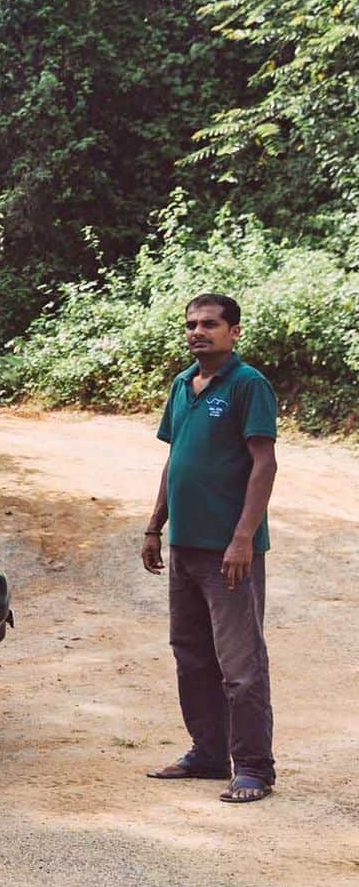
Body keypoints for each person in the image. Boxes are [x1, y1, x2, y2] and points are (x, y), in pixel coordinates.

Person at [141, 293, 279, 805]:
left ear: (234, 332)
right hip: (186, 547)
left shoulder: (249, 385)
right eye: (192, 325)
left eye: (210, 325)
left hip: (229, 552)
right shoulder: (182, 384)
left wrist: (243, 537)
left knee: (240, 664)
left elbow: (263, 464)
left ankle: (254, 769)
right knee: (192, 655)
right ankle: (207, 753)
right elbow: (176, 459)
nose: (199, 332)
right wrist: (155, 526)